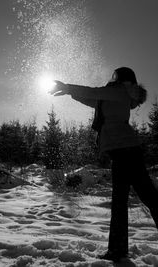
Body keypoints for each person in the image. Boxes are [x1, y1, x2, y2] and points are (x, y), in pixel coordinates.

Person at [49, 67, 158, 262]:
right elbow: (92, 99)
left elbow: (94, 92)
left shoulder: (118, 92)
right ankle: (118, 250)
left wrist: (67, 87)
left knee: (140, 199)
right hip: (123, 152)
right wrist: (70, 92)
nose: (112, 78)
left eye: (115, 76)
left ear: (122, 79)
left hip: (126, 152)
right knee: (136, 200)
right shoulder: (113, 96)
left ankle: (117, 250)